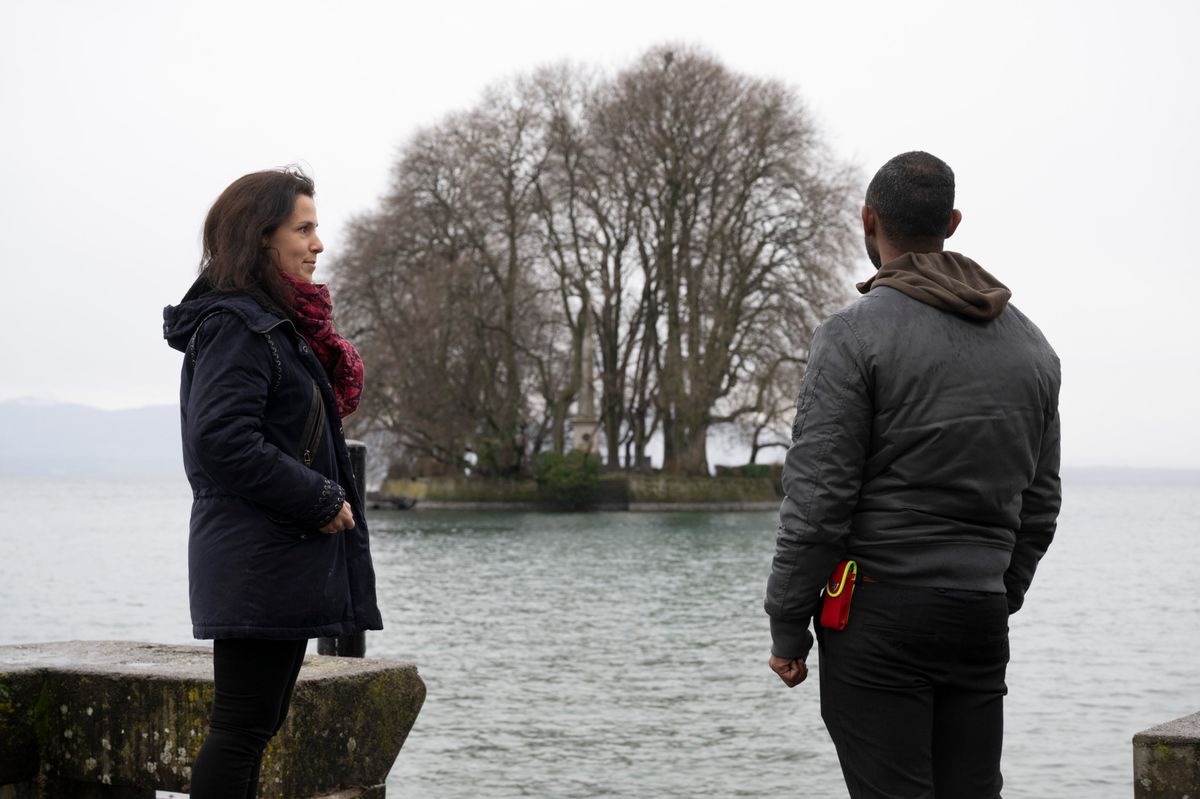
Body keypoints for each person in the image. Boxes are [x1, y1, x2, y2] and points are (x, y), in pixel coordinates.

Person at [764, 151, 1061, 798]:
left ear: (868, 220)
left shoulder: (852, 336)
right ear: (951, 223)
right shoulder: (1033, 348)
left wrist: (788, 624)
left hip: (879, 614)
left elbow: (817, 502)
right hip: (979, 613)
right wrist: (994, 591)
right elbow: (1040, 504)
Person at [163, 167, 381, 798]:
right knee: (240, 729)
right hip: (256, 556)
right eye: (303, 229)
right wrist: (320, 496)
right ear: (262, 237)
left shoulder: (271, 324)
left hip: (271, 553)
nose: (318, 244)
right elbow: (221, 439)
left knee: (254, 725)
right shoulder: (239, 325)